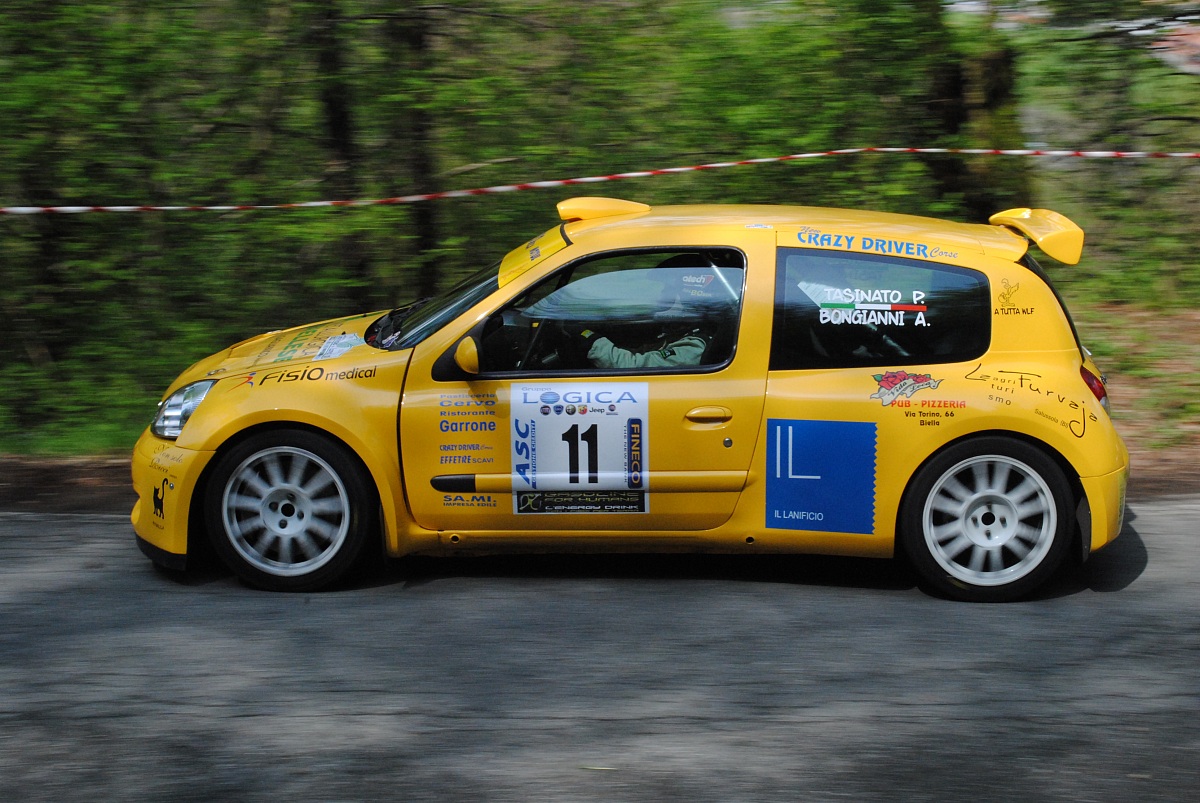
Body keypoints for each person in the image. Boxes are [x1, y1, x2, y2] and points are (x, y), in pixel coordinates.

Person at [576, 325, 708, 369]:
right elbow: (642, 351)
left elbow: (631, 366)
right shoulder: (681, 332)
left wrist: (590, 339)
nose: (663, 294)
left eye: (670, 290)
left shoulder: (694, 347)